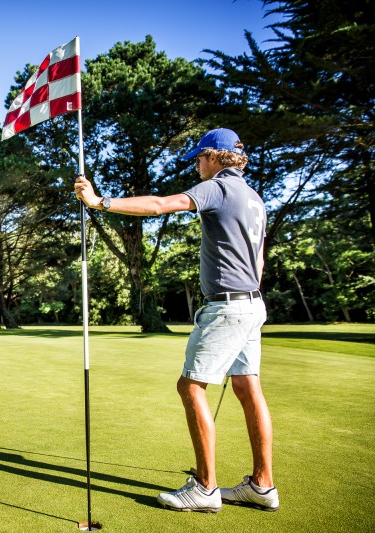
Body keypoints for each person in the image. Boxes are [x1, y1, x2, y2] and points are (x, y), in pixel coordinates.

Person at [74, 128, 279, 513]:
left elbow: (159, 205)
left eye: (200, 158)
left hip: (227, 307)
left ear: (217, 157)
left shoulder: (217, 187)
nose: (198, 165)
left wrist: (98, 201)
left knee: (191, 387)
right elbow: (261, 257)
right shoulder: (253, 197)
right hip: (253, 303)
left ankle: (205, 488)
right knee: (248, 388)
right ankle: (262, 486)